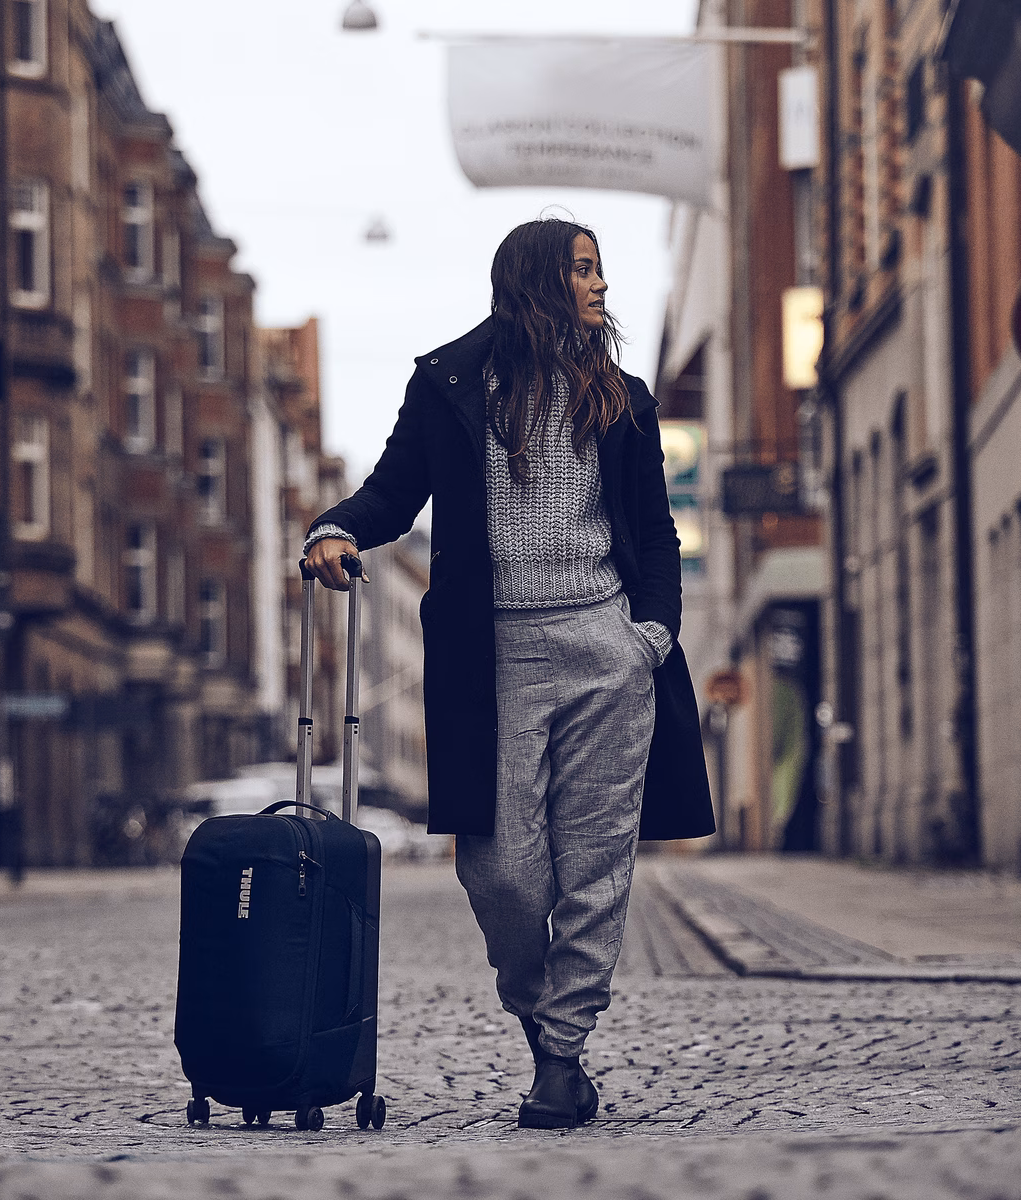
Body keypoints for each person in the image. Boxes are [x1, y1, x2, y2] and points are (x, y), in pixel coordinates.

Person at [303, 218, 714, 1129]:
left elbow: (654, 532)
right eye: (583, 270)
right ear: (535, 280)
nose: (600, 286)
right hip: (491, 660)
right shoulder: (450, 386)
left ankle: (561, 1059)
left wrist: (647, 636)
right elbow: (391, 494)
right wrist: (334, 526)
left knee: (597, 867)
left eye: (601, 270)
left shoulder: (624, 398)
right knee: (504, 874)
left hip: (608, 654)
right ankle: (541, 1015)